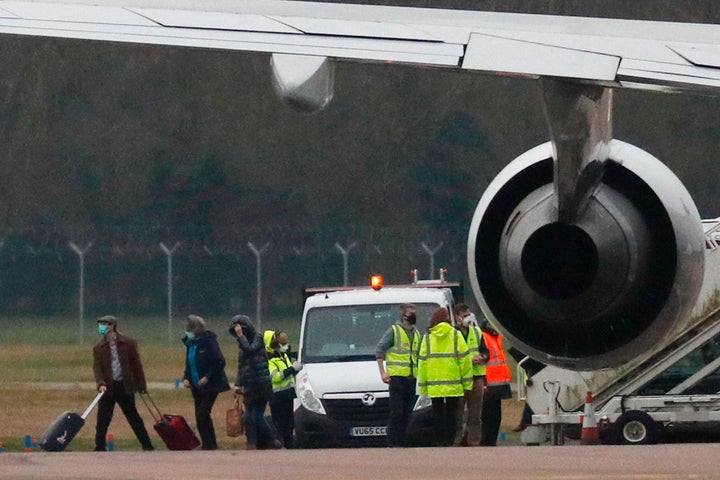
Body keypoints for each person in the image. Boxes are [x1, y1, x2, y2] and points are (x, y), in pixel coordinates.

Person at [92, 315, 154, 451]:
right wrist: (100, 383)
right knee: (102, 419)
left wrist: (141, 385)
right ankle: (99, 447)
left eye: (105, 324)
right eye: (101, 325)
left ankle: (147, 445)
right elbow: (97, 368)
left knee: (133, 417)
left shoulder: (128, 343)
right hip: (108, 387)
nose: (102, 327)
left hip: (124, 386)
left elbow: (136, 365)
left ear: (112, 326)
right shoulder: (98, 347)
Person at [417, 307, 472, 447]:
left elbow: (422, 363)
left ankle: (439, 441)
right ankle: (450, 440)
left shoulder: (428, 338)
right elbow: (464, 361)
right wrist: (467, 384)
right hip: (453, 384)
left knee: (438, 413)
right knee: (452, 414)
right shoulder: (456, 335)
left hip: (434, 385)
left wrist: (423, 387)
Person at [228, 314, 282, 450]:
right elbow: (242, 366)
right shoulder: (242, 344)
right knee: (247, 417)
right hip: (249, 385)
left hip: (261, 385)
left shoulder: (258, 338)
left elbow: (250, 350)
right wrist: (238, 384)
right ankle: (251, 443)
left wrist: (241, 337)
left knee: (257, 416)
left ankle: (273, 439)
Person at [375, 303, 421, 447]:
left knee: (407, 412)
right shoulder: (394, 331)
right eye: (410, 313)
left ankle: (403, 441)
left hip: (411, 378)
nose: (413, 316)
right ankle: (392, 442)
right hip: (396, 378)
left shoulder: (416, 333)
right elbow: (380, 350)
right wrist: (383, 372)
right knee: (397, 412)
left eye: (414, 313)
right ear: (403, 316)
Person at [182, 315, 230, 450]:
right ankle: (207, 444)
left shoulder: (209, 342)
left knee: (203, 413)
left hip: (211, 385)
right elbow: (189, 364)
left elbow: (219, 361)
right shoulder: (190, 344)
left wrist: (207, 377)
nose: (187, 332)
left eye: (188, 329)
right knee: (199, 415)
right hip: (195, 386)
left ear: (195, 329)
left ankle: (211, 444)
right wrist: (186, 377)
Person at [453, 303, 488, 446]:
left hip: (476, 378)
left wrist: (483, 357)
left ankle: (474, 442)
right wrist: (469, 360)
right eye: (464, 316)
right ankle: (456, 441)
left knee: (475, 415)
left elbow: (486, 352)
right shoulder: (453, 334)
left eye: (469, 315)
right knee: (458, 414)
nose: (467, 318)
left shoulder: (477, 332)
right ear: (457, 318)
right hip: (459, 380)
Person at [264, 329, 302, 448]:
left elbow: (289, 375)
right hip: (277, 396)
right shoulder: (270, 361)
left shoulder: (284, 357)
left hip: (288, 394)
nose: (285, 345)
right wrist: (292, 369)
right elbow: (275, 377)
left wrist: (295, 370)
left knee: (289, 424)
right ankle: (279, 446)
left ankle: (289, 446)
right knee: (279, 424)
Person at [480, 319, 512, 446]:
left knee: (496, 416)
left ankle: (491, 441)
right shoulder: (484, 337)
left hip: (498, 383)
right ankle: (487, 441)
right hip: (489, 383)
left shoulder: (496, 338)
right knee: (489, 416)